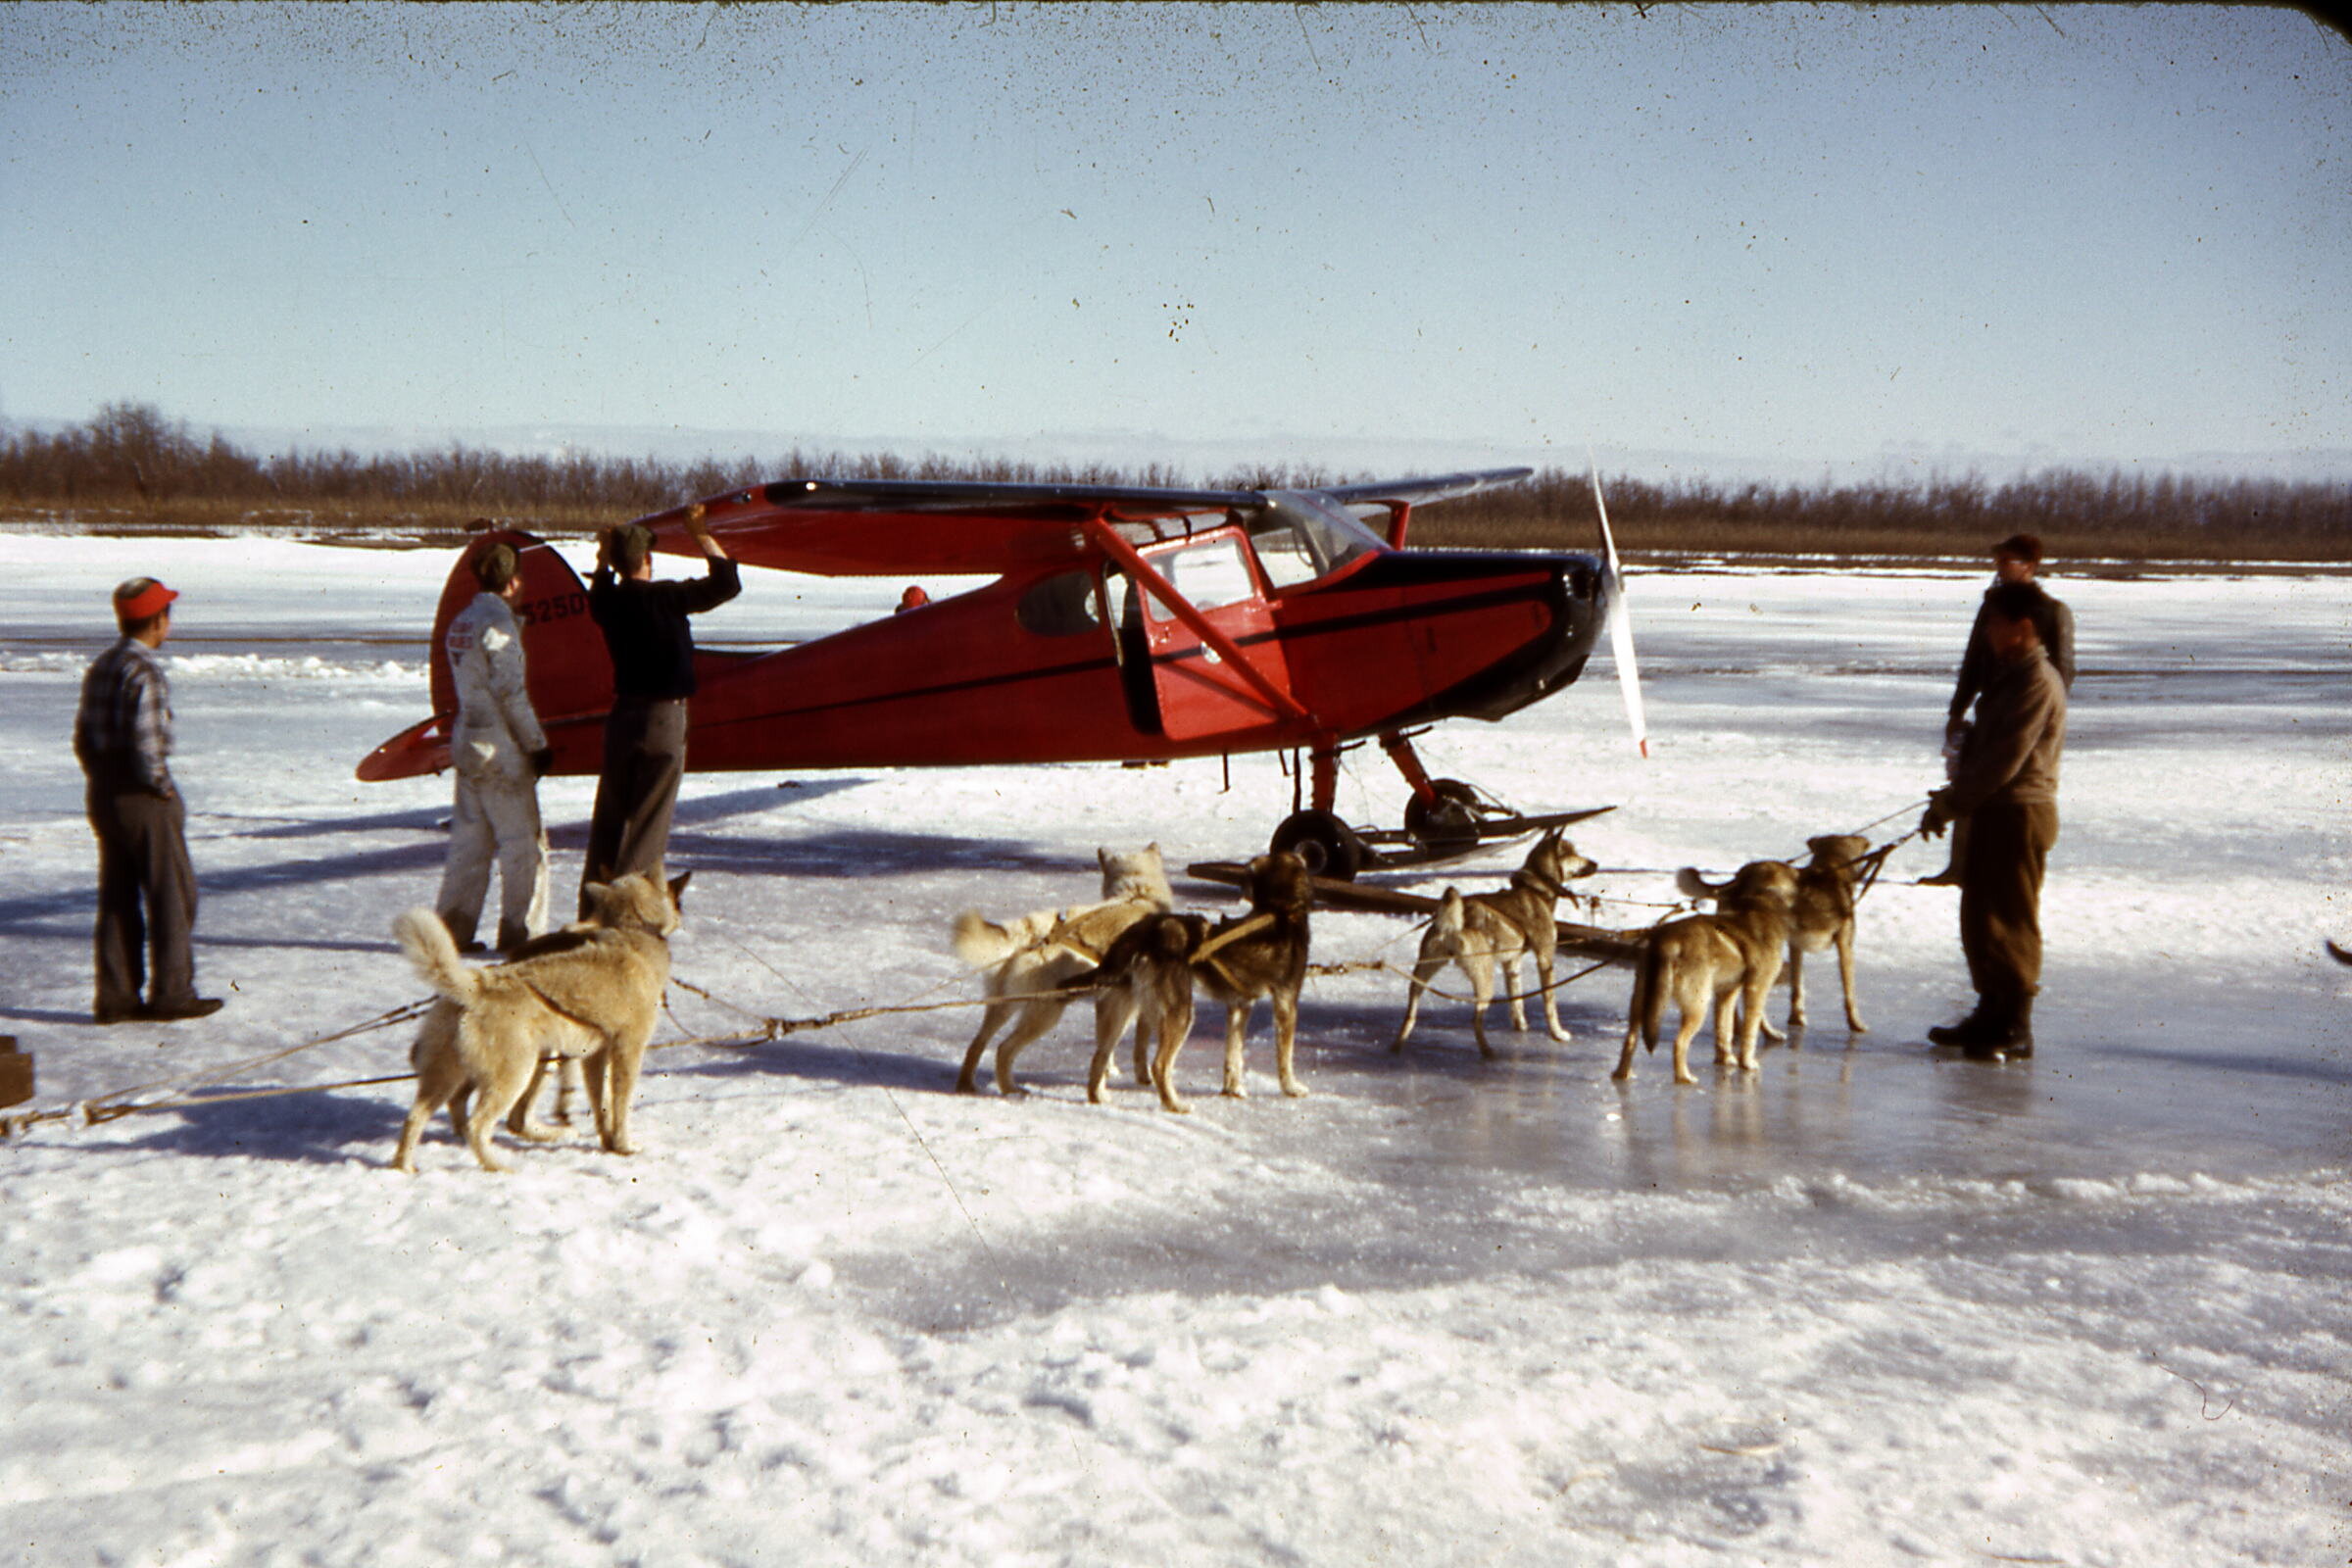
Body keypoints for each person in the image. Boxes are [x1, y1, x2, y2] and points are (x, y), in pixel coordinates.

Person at [1920, 581, 2067, 1059]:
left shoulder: (2037, 680)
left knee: (2011, 917)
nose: (1986, 630)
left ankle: (2015, 1026)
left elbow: (2005, 760)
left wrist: (1950, 804)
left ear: (2022, 628)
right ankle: (1989, 1012)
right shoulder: (2009, 673)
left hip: (2020, 812)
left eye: (1994, 622)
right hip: (1993, 808)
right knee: (1981, 916)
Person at [73, 577, 221, 1023]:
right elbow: (146, 745)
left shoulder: (103, 665)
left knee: (117, 895)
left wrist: (104, 777)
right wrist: (160, 787)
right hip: (142, 796)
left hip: (104, 790)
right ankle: (173, 993)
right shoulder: (145, 670)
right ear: (158, 621)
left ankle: (116, 997)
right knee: (172, 895)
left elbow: (82, 737)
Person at [580, 504, 739, 913]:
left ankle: (591, 913)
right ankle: (625, 916)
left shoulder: (607, 604)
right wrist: (700, 532)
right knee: (649, 823)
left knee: (611, 817)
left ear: (616, 564)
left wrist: (603, 556)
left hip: (622, 718)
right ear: (648, 560)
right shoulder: (668, 598)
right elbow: (726, 584)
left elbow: (600, 587)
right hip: (664, 718)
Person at [1923, 533, 2075, 885]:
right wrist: (1957, 710)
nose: (2000, 568)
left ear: (2030, 566)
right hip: (1991, 708)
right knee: (1969, 777)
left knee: (2000, 779)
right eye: (1998, 561)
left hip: (2025, 713)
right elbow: (1972, 661)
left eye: (2008, 561)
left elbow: (2062, 670)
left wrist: (2039, 712)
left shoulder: (2052, 612)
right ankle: (1959, 865)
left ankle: (1975, 867)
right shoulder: (1991, 609)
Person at [433, 541, 554, 956]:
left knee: (470, 844)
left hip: (467, 739)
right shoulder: (498, 627)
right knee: (523, 844)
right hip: (501, 746)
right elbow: (511, 694)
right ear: (513, 581)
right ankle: (523, 935)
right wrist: (536, 745)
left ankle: (452, 931)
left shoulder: (462, 622)